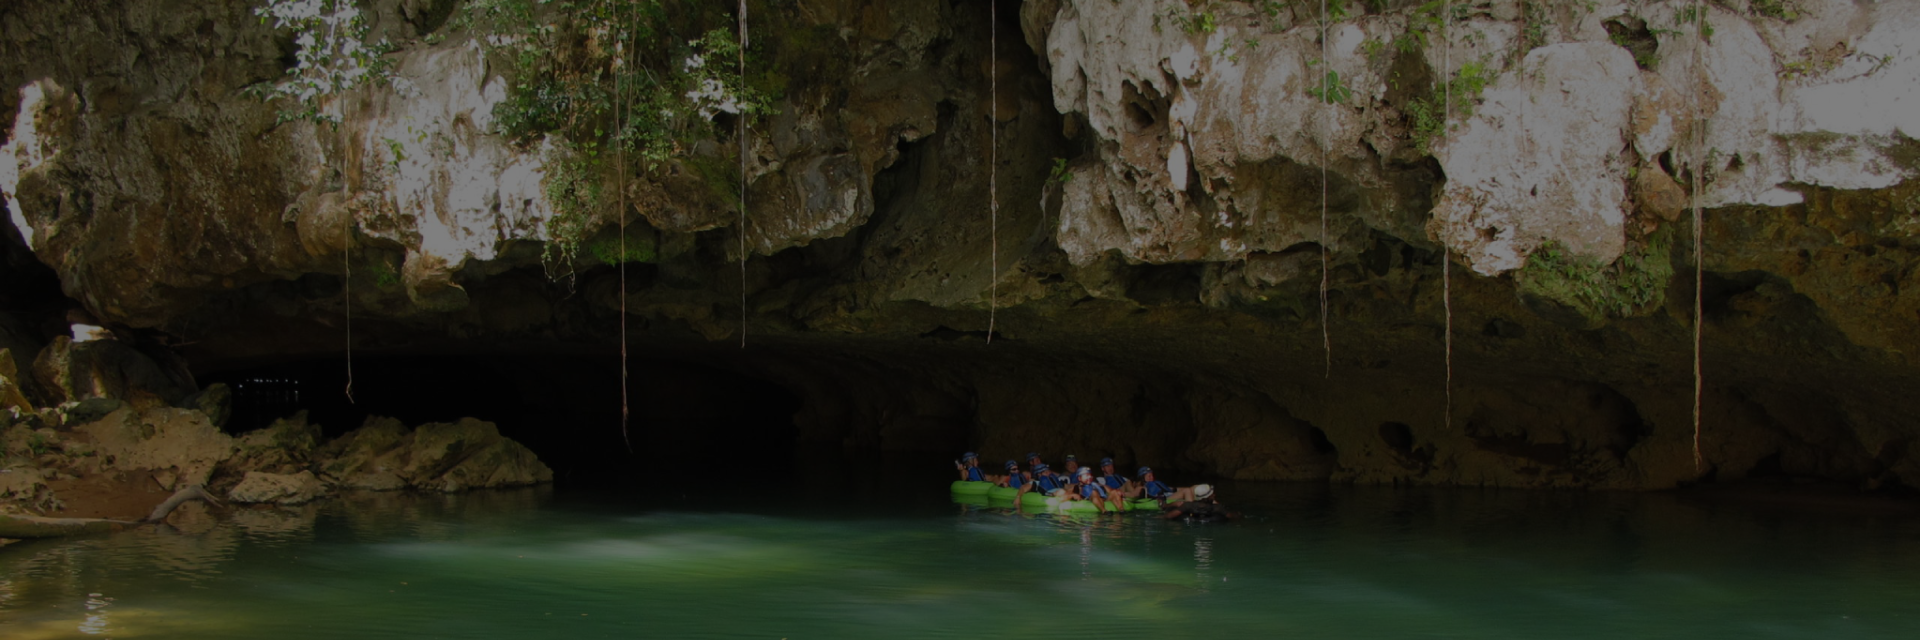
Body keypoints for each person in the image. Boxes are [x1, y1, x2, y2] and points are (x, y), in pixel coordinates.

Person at [1161, 484, 1237, 522]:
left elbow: (1168, 516)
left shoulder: (1188, 505)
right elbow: (1232, 516)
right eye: (1212, 494)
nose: (1214, 495)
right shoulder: (1217, 508)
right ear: (1209, 496)